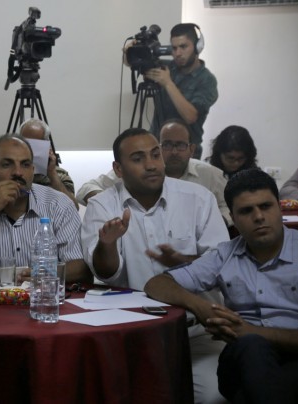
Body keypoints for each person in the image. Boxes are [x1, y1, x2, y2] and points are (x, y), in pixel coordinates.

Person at [144, 168, 298, 403]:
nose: (258, 217)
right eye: (246, 211)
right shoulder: (225, 255)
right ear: (233, 217)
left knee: (252, 388)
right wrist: (200, 307)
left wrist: (250, 331)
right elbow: (157, 284)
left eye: (266, 206)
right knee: (251, 348)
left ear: (280, 207)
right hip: (242, 358)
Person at [80, 127, 229, 403]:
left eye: (155, 155)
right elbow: (106, 273)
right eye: (138, 159)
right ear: (118, 169)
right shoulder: (102, 205)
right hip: (131, 333)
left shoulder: (198, 198)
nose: (151, 165)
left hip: (196, 332)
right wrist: (107, 244)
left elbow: (222, 265)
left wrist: (184, 261)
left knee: (213, 396)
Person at [0, 134, 91, 282]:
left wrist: (43, 273)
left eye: (25, 165)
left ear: (33, 171)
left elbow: (81, 268)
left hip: (41, 294)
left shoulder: (58, 205)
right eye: (7, 164)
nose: (18, 172)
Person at [76, 120, 231, 225]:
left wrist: (216, 221)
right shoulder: (137, 174)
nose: (174, 152)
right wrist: (106, 204)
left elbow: (230, 205)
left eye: (180, 145)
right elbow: (85, 189)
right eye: (168, 145)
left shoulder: (209, 175)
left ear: (191, 149)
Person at [127, 23, 218, 159]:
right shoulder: (169, 67)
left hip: (186, 151)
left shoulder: (207, 79)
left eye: (183, 47)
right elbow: (134, 62)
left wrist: (168, 83)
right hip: (158, 149)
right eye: (174, 48)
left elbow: (190, 116)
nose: (178, 53)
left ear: (198, 47)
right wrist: (130, 51)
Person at [18, 118, 78, 207]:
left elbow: (73, 207)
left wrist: (52, 174)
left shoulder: (60, 175)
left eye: (35, 144)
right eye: (25, 142)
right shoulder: (11, 172)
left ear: (46, 145)